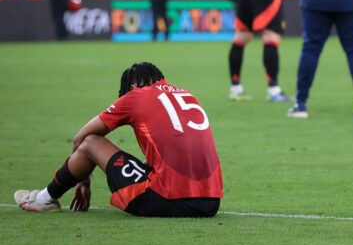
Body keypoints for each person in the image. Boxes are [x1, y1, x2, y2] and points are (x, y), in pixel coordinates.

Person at [13, 62, 223, 217]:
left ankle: (44, 199)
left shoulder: (135, 96)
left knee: (91, 142)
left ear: (130, 89)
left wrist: (83, 180)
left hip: (166, 200)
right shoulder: (186, 94)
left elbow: (80, 138)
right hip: (210, 204)